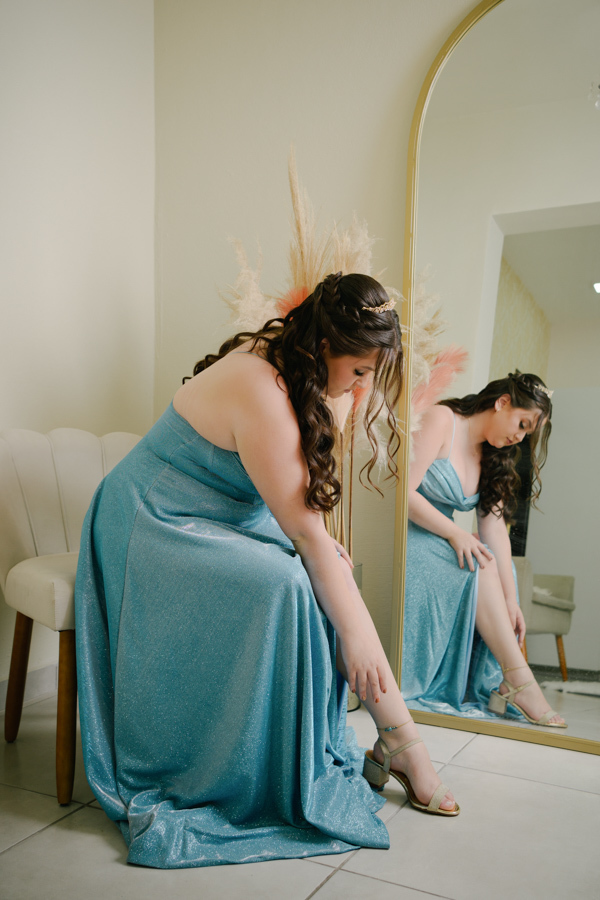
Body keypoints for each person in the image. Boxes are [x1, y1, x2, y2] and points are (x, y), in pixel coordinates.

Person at [75, 273, 458, 872]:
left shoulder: (300, 373)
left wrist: (342, 398)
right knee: (291, 581)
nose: (361, 387)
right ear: (325, 345)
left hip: (218, 512)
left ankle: (400, 738)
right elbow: (307, 532)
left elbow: (309, 527)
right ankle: (382, 744)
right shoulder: (261, 386)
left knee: (331, 570)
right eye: (358, 371)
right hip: (152, 519)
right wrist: (355, 634)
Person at [401, 371, 566, 727]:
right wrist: (455, 533)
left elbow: (495, 532)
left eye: (526, 433)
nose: (519, 437)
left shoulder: (493, 455)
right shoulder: (442, 420)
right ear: (502, 402)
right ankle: (519, 681)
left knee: (486, 557)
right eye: (521, 424)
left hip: (443, 540)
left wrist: (512, 599)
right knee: (475, 554)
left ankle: (516, 677)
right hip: (409, 535)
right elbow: (404, 495)